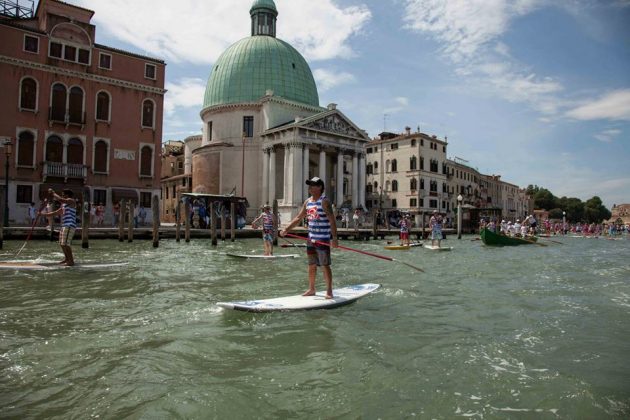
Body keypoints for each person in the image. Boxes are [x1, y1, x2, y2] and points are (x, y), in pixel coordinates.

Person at [280, 176, 338, 299]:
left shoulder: (324, 201)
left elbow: (332, 221)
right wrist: (286, 229)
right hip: (311, 239)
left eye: (313, 185)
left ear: (320, 187)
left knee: (324, 265)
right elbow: (298, 218)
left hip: (322, 239)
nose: (310, 187)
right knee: (311, 265)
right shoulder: (308, 202)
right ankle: (311, 289)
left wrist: (334, 238)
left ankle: (329, 291)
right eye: (309, 185)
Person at [40, 189, 77, 266]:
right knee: (62, 243)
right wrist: (42, 214)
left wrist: (53, 193)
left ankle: (71, 261)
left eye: (64, 194)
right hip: (64, 225)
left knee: (66, 244)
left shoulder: (71, 201)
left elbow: (60, 199)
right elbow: (55, 213)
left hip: (70, 225)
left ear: (67, 195)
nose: (62, 195)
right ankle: (67, 259)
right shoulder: (63, 205)